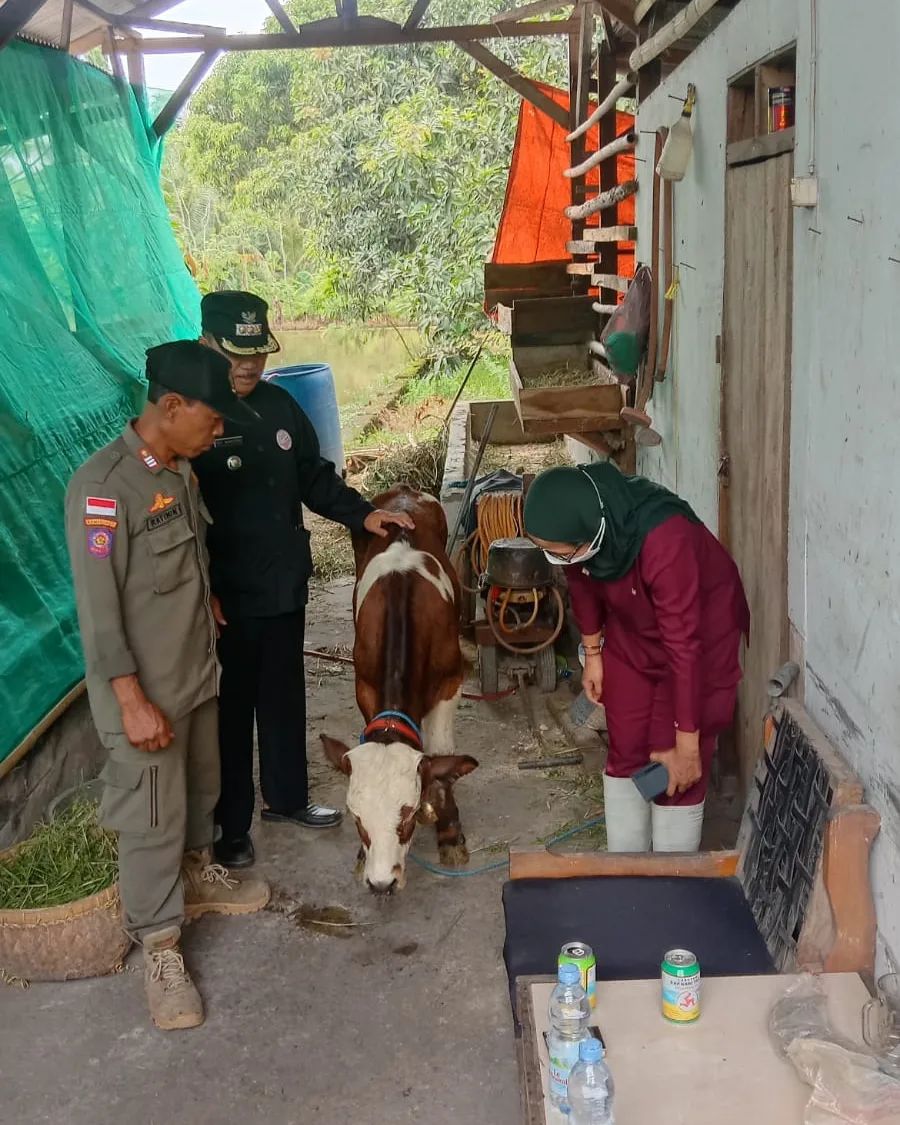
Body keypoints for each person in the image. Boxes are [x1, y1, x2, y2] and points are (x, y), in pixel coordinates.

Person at [65, 341, 270, 1032]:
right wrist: (128, 697)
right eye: (213, 419)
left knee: (199, 788)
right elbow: (99, 611)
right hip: (144, 692)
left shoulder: (178, 471)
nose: (220, 433)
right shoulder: (100, 489)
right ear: (172, 406)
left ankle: (197, 871)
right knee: (149, 817)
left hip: (193, 671)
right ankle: (159, 944)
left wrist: (205, 601)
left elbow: (185, 555)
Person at [193, 291, 413, 869]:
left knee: (285, 697)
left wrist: (362, 513)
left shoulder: (281, 406)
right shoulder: (192, 418)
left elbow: (314, 476)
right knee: (233, 712)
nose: (248, 366)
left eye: (256, 354)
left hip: (284, 584)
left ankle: (287, 799)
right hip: (226, 596)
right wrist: (201, 587)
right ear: (205, 345)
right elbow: (178, 519)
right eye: (234, 353)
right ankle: (231, 826)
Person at [523, 461, 750, 853]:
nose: (554, 561)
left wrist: (688, 744)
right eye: (548, 553)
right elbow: (580, 578)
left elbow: (684, 645)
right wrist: (593, 654)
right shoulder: (588, 528)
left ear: (588, 533)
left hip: (698, 642)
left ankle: (670, 881)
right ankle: (624, 869)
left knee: (673, 765)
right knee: (626, 743)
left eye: (557, 552)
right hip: (634, 632)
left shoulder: (665, 539)